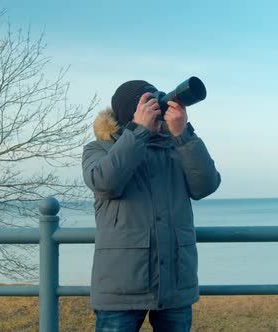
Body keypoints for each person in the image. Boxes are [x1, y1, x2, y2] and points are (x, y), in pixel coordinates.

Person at [82, 80, 221, 332]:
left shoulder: (177, 148)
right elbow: (105, 183)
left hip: (175, 282)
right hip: (121, 287)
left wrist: (183, 134)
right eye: (150, 106)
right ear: (130, 113)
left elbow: (206, 185)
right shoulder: (99, 149)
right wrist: (138, 132)